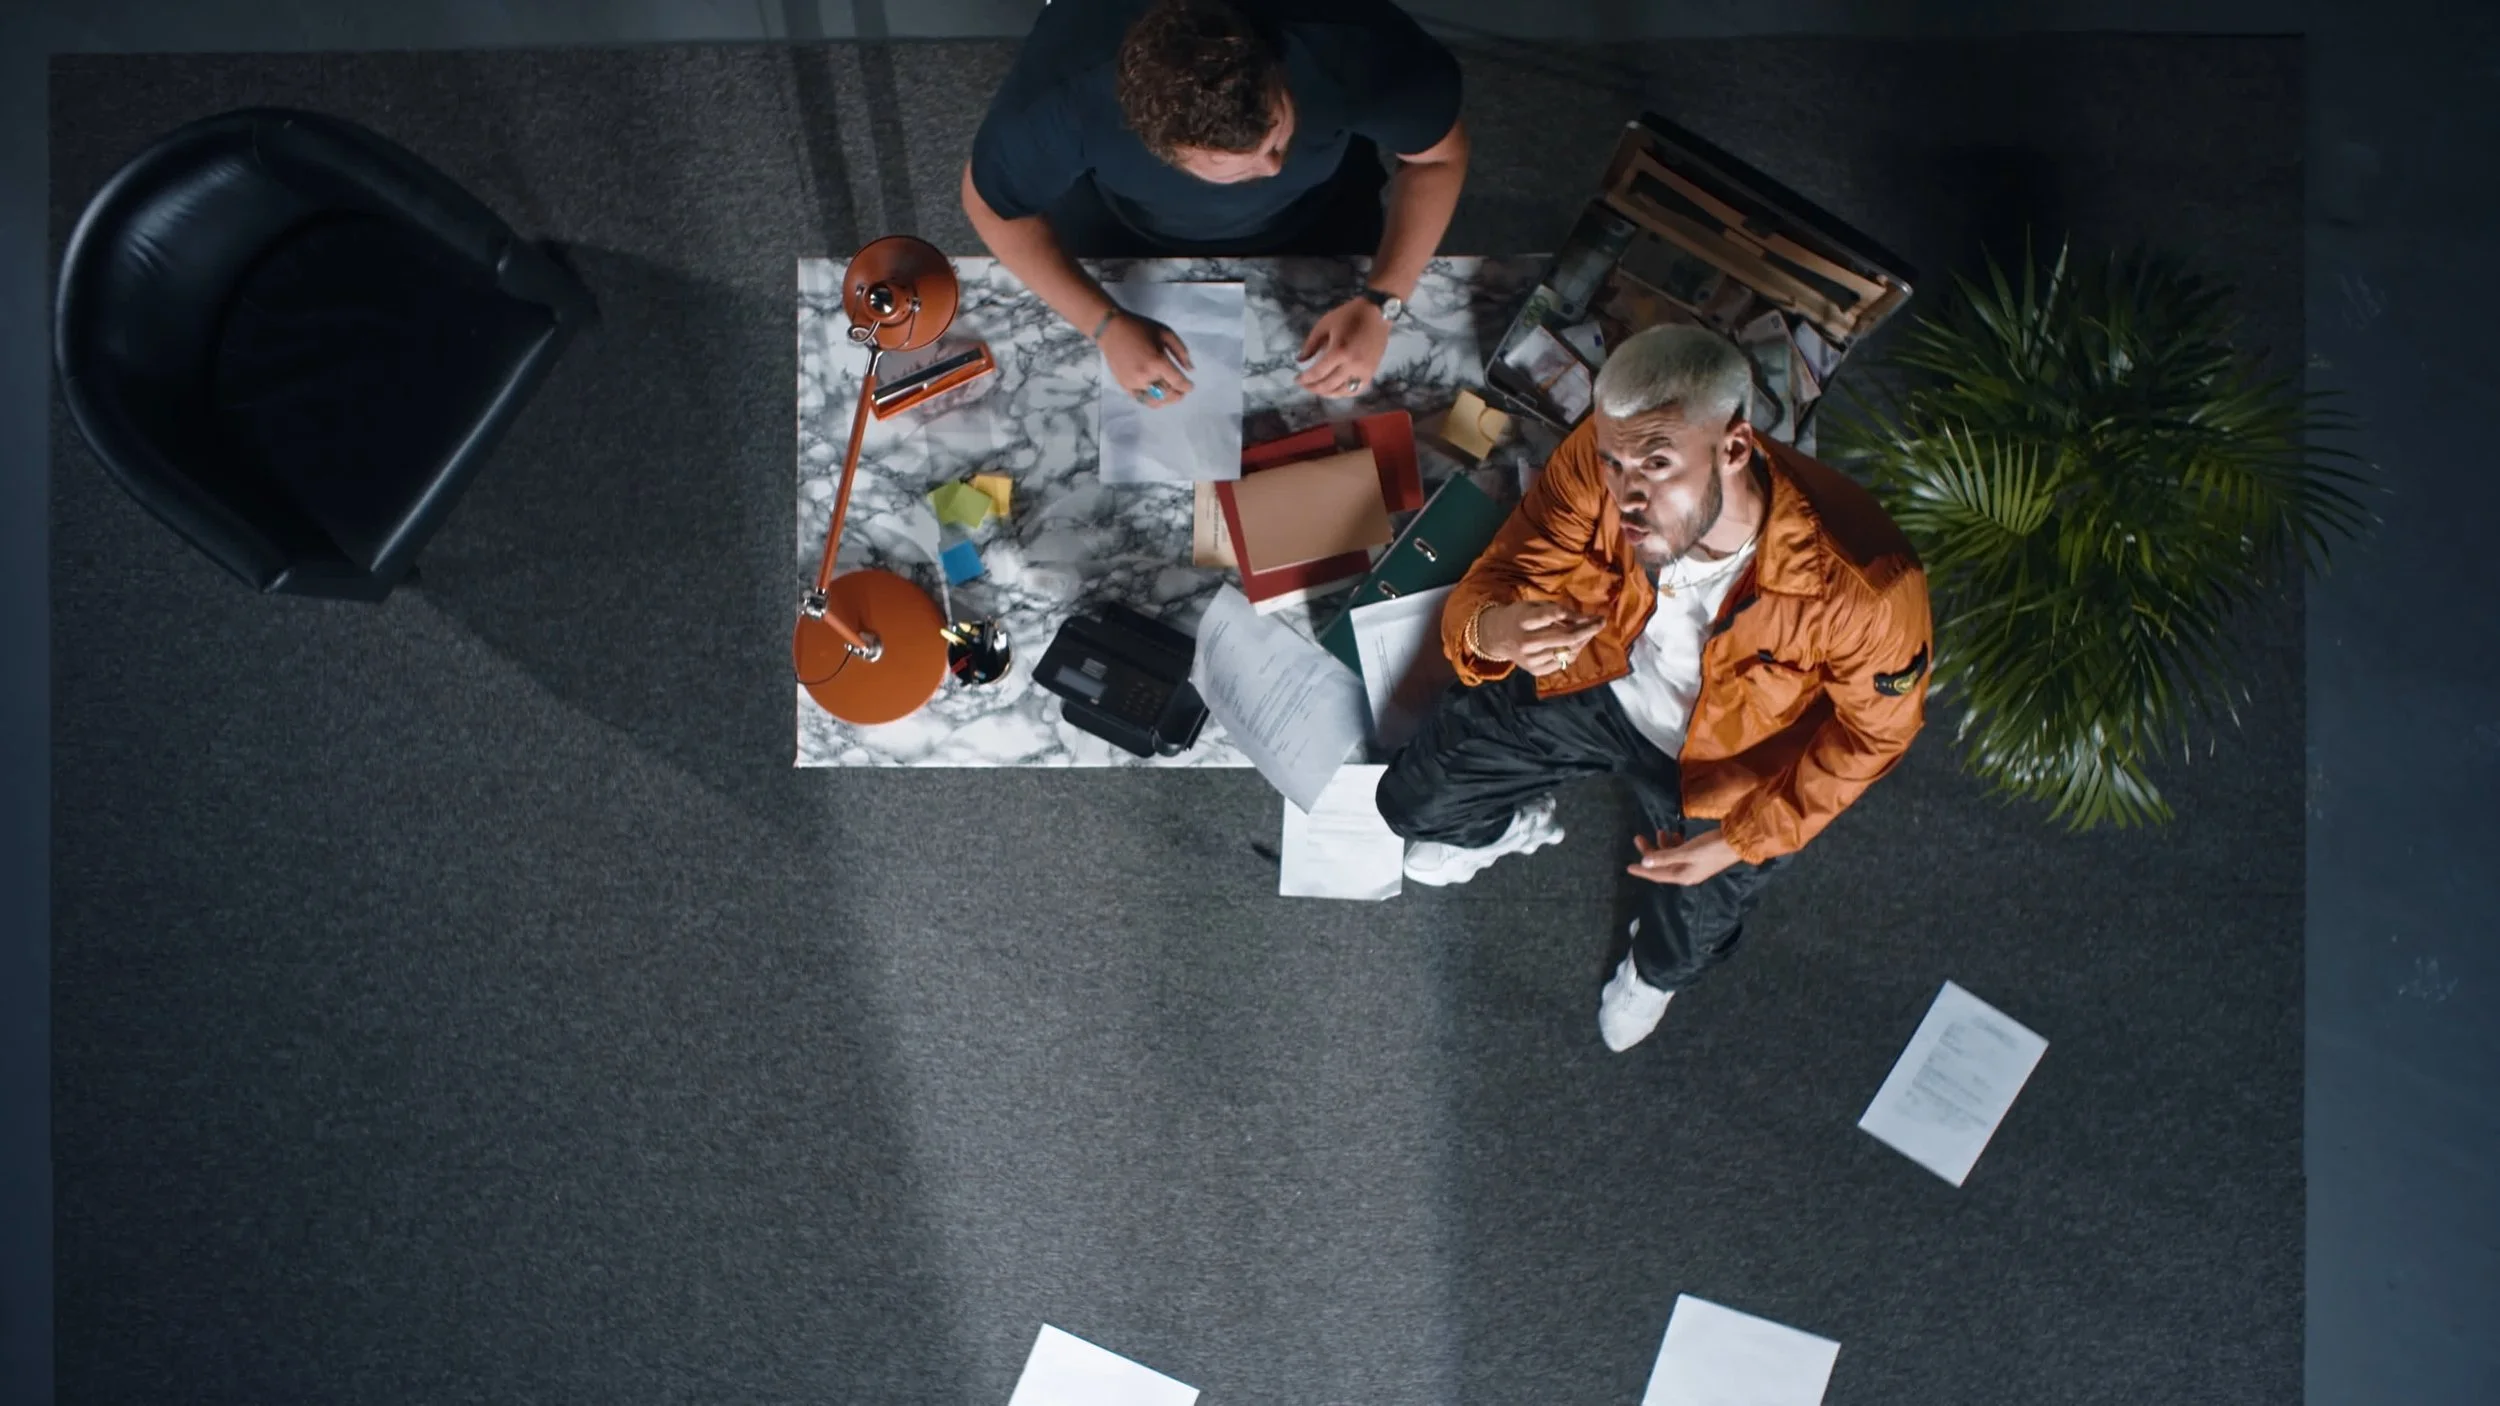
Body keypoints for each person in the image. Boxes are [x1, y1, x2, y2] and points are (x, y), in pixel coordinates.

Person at [1375, 324, 1934, 1052]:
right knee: (1411, 804)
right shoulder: (1601, 460)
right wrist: (1495, 630)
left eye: (1657, 463)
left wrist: (1737, 841)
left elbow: (1874, 738)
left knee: (1682, 947)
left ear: (1733, 448)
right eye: (1612, 462)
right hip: (1601, 679)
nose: (1627, 495)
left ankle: (1653, 972)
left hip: (1730, 768)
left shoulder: (1869, 584)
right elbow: (1502, 572)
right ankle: (1517, 825)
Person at [960, 0, 1468, 411]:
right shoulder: (1066, 97)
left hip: (1326, 210)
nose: (1272, 169)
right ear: (1152, 141)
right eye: (1240, 166)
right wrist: (1103, 324)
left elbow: (1438, 159)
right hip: (1123, 229)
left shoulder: (1355, 40)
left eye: (1275, 141)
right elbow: (991, 205)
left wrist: (1384, 300)